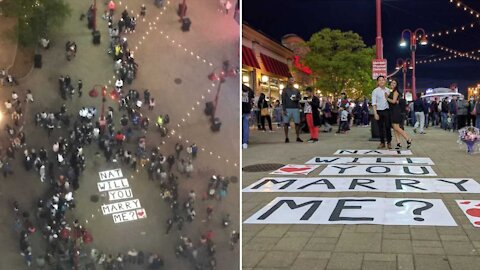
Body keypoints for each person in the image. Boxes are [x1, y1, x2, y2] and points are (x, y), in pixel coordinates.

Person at [386, 79, 412, 149]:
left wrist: (386, 98)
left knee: (396, 127)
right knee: (395, 127)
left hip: (395, 111)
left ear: (396, 85)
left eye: (394, 83)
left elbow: (394, 101)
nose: (392, 84)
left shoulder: (396, 91)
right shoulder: (392, 91)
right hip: (393, 110)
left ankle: (408, 139)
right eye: (391, 83)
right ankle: (398, 143)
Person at [371, 76, 392, 149]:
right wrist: (375, 113)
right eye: (379, 80)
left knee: (388, 127)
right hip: (379, 111)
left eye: (382, 80)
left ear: (385, 81)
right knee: (380, 128)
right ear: (377, 82)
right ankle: (382, 142)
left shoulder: (388, 90)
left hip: (387, 111)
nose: (381, 81)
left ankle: (389, 142)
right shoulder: (375, 91)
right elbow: (373, 103)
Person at [281, 77, 302, 143]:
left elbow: (299, 97)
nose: (292, 81)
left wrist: (296, 99)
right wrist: (284, 109)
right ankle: (286, 137)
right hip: (287, 108)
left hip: (295, 108)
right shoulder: (285, 90)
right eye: (290, 80)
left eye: (293, 80)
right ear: (288, 81)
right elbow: (283, 100)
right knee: (286, 123)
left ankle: (298, 137)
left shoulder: (297, 90)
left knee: (297, 123)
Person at [241, 84, 254, 149]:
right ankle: (245, 142)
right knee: (245, 127)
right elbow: (252, 100)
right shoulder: (249, 89)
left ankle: (240, 142)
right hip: (247, 110)